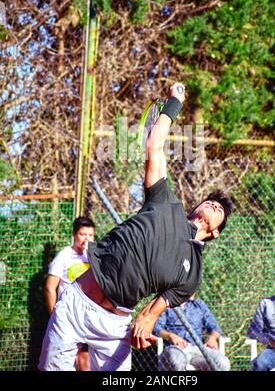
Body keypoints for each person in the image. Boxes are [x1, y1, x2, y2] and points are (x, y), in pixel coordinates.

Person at [38, 82, 233, 371]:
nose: (215, 204)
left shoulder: (191, 273)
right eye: (211, 201)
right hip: (76, 304)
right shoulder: (165, 201)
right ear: (196, 206)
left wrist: (146, 320)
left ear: (215, 232)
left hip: (115, 326)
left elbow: (153, 311)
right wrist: (174, 103)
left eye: (221, 210)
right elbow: (154, 146)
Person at [44, 216, 95, 371]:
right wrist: (55, 314)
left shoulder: (94, 256)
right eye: (82, 234)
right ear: (74, 234)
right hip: (67, 319)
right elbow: (49, 288)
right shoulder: (64, 256)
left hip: (89, 319)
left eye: (90, 235)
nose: (86, 239)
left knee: (85, 361)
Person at [153, 294, 230, 371]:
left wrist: (212, 338)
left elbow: (214, 327)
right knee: (177, 360)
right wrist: (170, 336)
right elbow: (156, 328)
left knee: (222, 362)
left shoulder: (199, 305)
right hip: (176, 349)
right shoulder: (166, 305)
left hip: (198, 349)